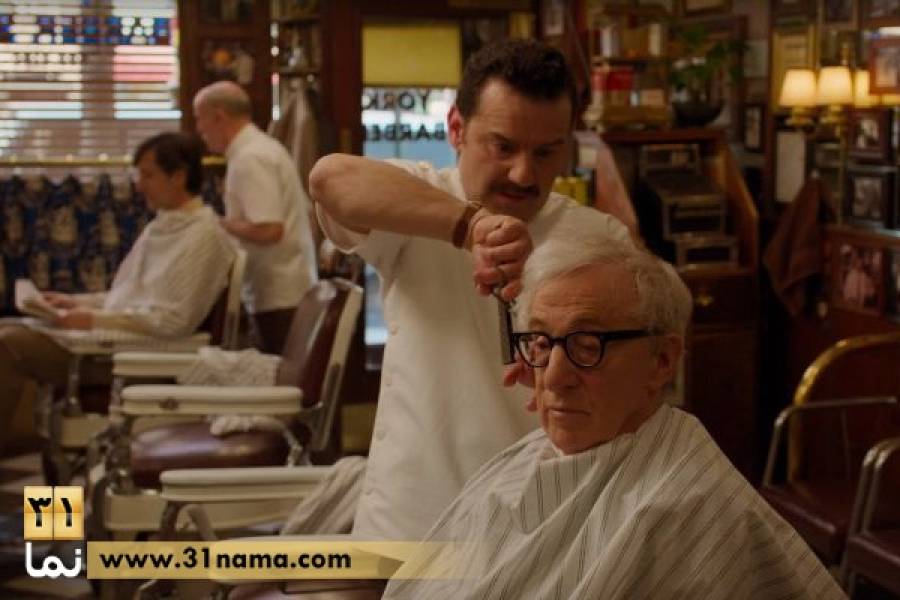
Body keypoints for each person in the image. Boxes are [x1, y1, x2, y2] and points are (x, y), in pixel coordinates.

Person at [382, 233, 844, 600]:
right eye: (541, 343)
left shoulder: (684, 507)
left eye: (587, 346)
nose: (554, 377)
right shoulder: (524, 460)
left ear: (662, 361)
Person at [310, 39, 635, 541]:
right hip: (416, 523)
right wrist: (470, 227)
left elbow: (638, 380)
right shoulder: (420, 202)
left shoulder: (597, 238)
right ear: (456, 129)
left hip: (543, 527)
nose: (524, 174)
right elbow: (330, 178)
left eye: (546, 152)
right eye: (503, 147)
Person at [0, 132, 236, 444]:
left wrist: (92, 320)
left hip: (135, 357)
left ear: (179, 176)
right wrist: (75, 303)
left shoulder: (205, 237)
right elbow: (128, 296)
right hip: (110, 345)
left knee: (8, 344)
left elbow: (173, 321)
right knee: (7, 328)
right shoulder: (161, 226)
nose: (139, 185)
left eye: (148, 175)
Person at [193, 80, 318, 353]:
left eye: (200, 119)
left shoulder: (250, 158)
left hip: (278, 293)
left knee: (281, 374)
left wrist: (216, 224)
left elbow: (270, 229)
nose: (199, 129)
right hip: (285, 288)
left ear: (218, 116)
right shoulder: (261, 149)